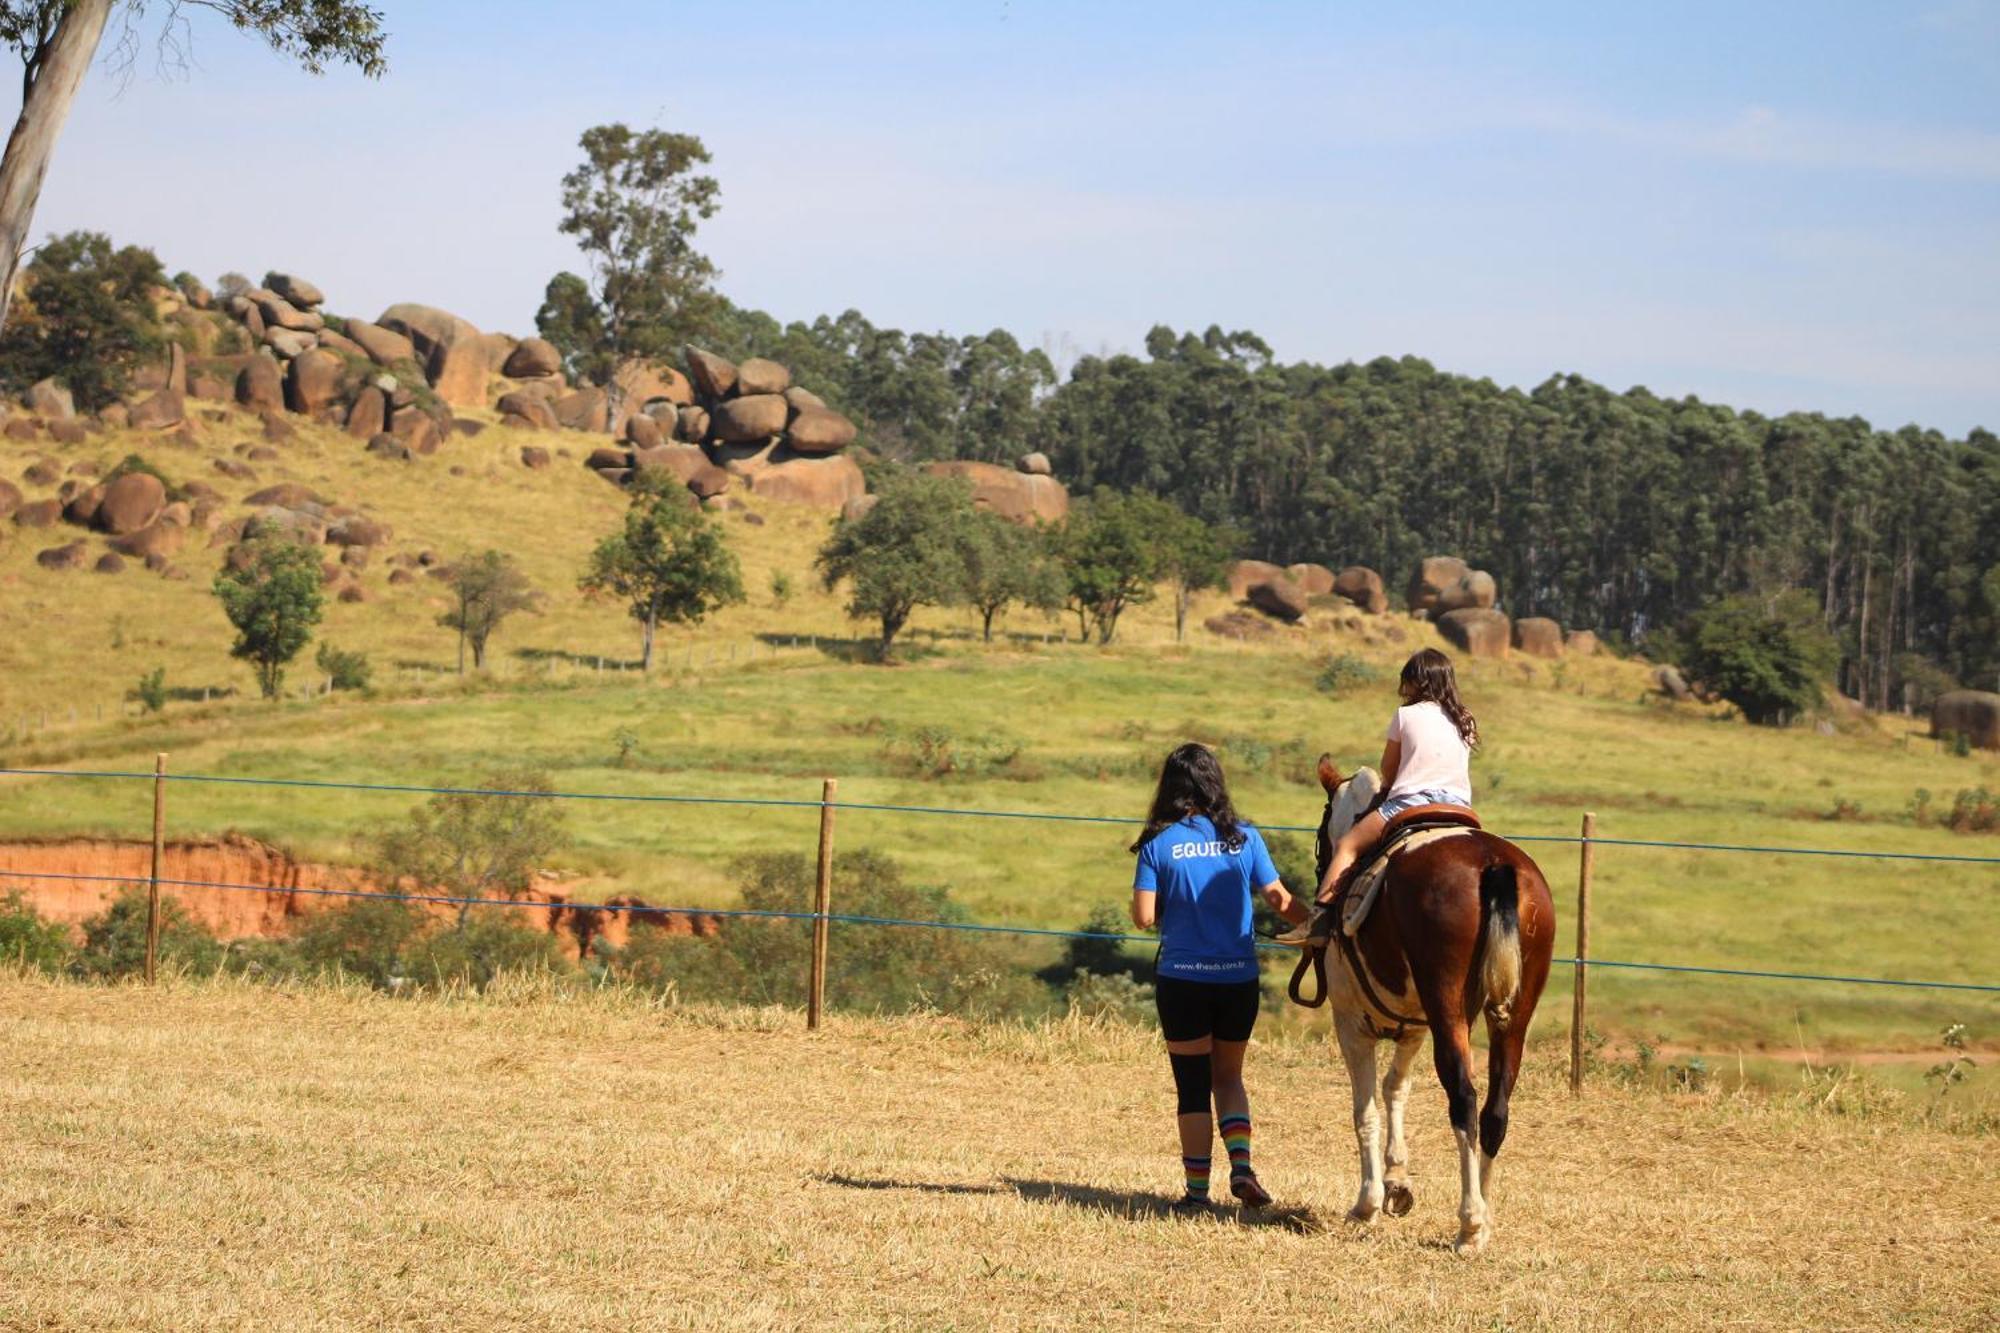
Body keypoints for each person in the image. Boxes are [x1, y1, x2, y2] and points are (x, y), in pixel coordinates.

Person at [1130, 742, 1308, 1214]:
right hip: (1237, 979)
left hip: (1182, 979)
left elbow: (1143, 918)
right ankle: (1243, 1168)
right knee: (1228, 1076)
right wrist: (1320, 931)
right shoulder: (1245, 837)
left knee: (1192, 1086)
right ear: (1215, 782)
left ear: (1170, 787)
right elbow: (1278, 897)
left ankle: (1195, 1194)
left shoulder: (1157, 843)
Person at [1283, 647, 1478, 945]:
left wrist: (1390, 787)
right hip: (1458, 807)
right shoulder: (1465, 720)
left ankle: (1318, 922)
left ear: (1416, 681)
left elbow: (1389, 770)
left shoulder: (1405, 715)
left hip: (1412, 802)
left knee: (1348, 844)